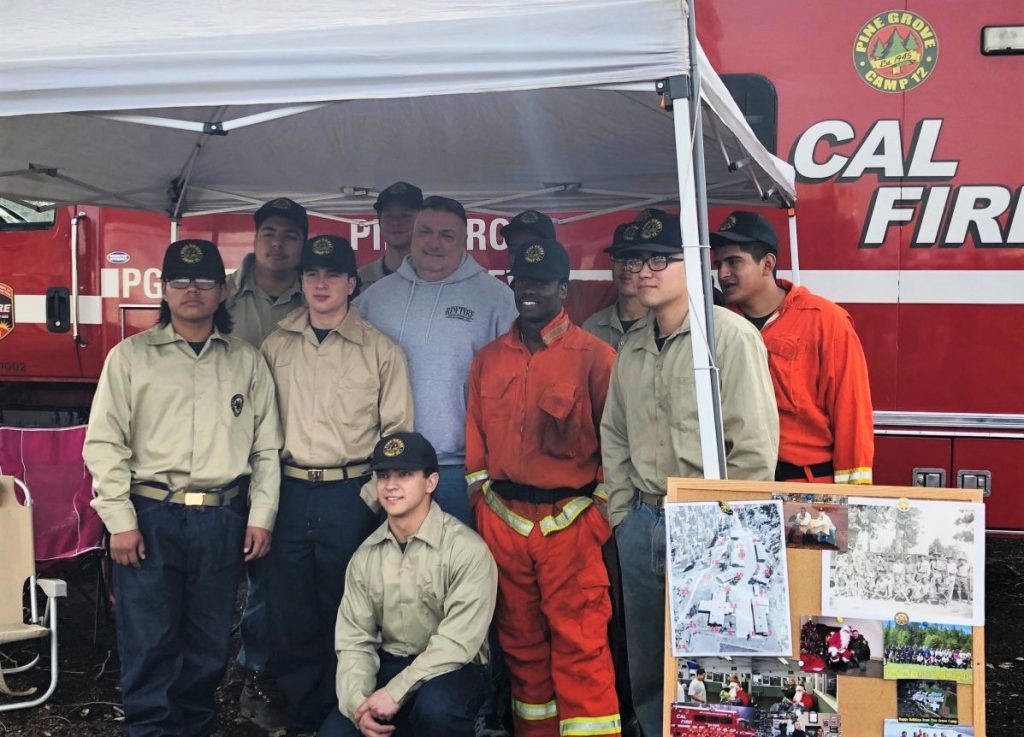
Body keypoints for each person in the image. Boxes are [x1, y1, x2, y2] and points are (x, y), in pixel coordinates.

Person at [84, 239, 282, 737]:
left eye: (204, 281)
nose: (192, 291)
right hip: (151, 517)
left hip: (221, 519)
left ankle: (193, 729)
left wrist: (261, 516)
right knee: (149, 641)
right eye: (180, 281)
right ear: (162, 289)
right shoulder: (129, 358)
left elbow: (265, 449)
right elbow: (105, 443)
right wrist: (119, 522)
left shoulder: (246, 361)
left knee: (208, 643)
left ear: (222, 291)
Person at [600, 211, 778, 737]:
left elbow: (754, 448)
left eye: (660, 258)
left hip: (709, 523)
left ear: (693, 264)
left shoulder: (729, 338)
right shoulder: (631, 345)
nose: (644, 272)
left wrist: (729, 534)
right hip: (642, 520)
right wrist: (621, 515)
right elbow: (614, 434)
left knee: (711, 664)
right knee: (648, 662)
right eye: (635, 261)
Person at [466, 238, 621, 737]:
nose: (529, 290)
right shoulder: (488, 359)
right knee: (521, 650)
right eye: (521, 280)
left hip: (571, 527)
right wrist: (485, 510)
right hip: (505, 526)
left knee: (583, 650)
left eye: (541, 282)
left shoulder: (596, 358)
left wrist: (594, 519)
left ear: (563, 289)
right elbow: (475, 449)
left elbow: (618, 451)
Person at [261, 235, 414, 732]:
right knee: (290, 615)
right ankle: (303, 715)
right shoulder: (275, 345)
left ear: (353, 282)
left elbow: (398, 435)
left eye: (332, 274)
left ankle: (345, 716)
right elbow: (259, 430)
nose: (320, 284)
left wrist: (371, 500)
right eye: (310, 274)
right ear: (301, 282)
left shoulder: (380, 350)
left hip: (351, 495)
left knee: (348, 611)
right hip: (288, 492)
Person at [319, 431, 498, 737]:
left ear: (431, 482)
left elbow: (457, 644)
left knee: (436, 708)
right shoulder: (365, 557)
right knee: (337, 732)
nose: (390, 486)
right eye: (383, 475)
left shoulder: (466, 550)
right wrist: (357, 705)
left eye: (404, 474)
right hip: (391, 666)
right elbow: (355, 643)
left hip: (452, 670)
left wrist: (396, 691)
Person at [355, 195, 517, 525]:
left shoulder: (496, 298)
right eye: (425, 232)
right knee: (394, 571)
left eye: (447, 236)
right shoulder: (374, 299)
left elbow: (514, 383)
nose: (434, 243)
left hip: (459, 471)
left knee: (459, 571)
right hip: (389, 468)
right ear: (411, 235)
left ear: (465, 240)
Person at [711, 210, 874, 485]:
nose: (722, 273)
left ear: (767, 264)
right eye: (719, 264)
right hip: (739, 486)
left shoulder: (824, 320)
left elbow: (851, 411)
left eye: (733, 262)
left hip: (806, 489)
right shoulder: (718, 325)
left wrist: (850, 500)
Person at [224, 196, 308, 729]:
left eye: (290, 236)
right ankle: (243, 672)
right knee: (234, 577)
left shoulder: (320, 292)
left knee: (277, 577)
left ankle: (272, 676)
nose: (279, 245)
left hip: (292, 460)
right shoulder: (223, 296)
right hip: (230, 460)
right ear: (255, 239)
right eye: (270, 233)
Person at [582, 222, 650, 351]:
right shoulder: (592, 327)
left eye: (635, 260)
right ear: (611, 263)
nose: (626, 267)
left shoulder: (663, 325)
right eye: (620, 257)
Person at [359, 181, 424, 289]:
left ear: (423, 221)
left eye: (405, 215)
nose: (396, 222)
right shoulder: (359, 281)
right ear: (379, 222)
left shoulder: (439, 279)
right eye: (389, 216)